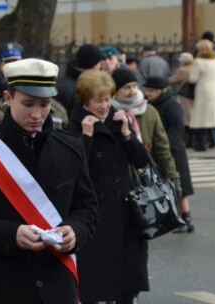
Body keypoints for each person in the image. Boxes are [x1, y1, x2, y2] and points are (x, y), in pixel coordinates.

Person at [0, 58, 100, 304]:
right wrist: (10, 234)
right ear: (8, 97)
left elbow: (88, 208)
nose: (37, 114)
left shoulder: (71, 147)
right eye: (28, 103)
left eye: (45, 104)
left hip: (56, 286)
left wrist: (75, 231)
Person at [64, 69, 149, 303]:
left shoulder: (119, 120)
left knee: (125, 282)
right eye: (98, 100)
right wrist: (86, 138)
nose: (104, 105)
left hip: (125, 214)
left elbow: (141, 161)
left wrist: (127, 135)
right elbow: (71, 171)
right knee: (94, 281)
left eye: (108, 98)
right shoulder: (74, 127)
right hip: (93, 215)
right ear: (84, 100)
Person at [111, 68, 181, 192]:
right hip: (119, 181)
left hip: (147, 178)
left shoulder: (149, 111)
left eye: (134, 86)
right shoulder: (110, 112)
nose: (132, 91)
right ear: (116, 90)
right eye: (127, 87)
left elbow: (162, 148)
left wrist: (173, 177)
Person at [144, 76, 195, 233]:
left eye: (152, 91)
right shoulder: (152, 104)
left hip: (173, 151)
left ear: (160, 91)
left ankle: (187, 219)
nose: (148, 93)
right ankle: (176, 218)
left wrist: (165, 146)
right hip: (161, 151)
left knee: (180, 187)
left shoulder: (171, 105)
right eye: (147, 90)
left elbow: (177, 128)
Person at [188, 39, 215, 151]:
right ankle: (213, 139)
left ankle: (202, 143)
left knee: (201, 117)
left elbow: (193, 79)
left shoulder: (198, 61)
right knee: (210, 117)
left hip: (202, 91)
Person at [55, 43, 103, 115]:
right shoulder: (65, 89)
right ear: (94, 65)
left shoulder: (67, 84)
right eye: (99, 63)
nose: (101, 67)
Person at [168, 52, 194, 146]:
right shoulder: (194, 67)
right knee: (193, 116)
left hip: (185, 94)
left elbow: (173, 80)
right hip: (194, 95)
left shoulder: (182, 70)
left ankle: (189, 140)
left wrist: (165, 79)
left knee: (186, 117)